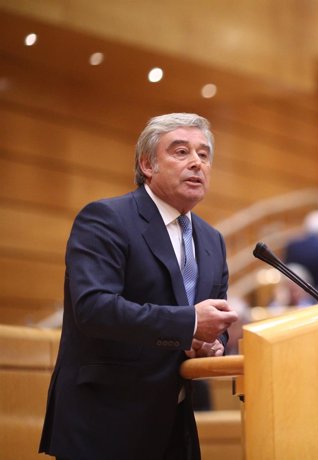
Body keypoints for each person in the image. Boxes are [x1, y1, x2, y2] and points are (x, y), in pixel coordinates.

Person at [39, 113, 240, 460]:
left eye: (204, 155)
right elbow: (94, 308)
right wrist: (189, 324)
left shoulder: (211, 239)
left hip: (175, 427)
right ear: (147, 164)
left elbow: (213, 319)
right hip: (105, 425)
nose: (196, 163)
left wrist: (211, 344)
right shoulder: (106, 219)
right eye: (181, 152)